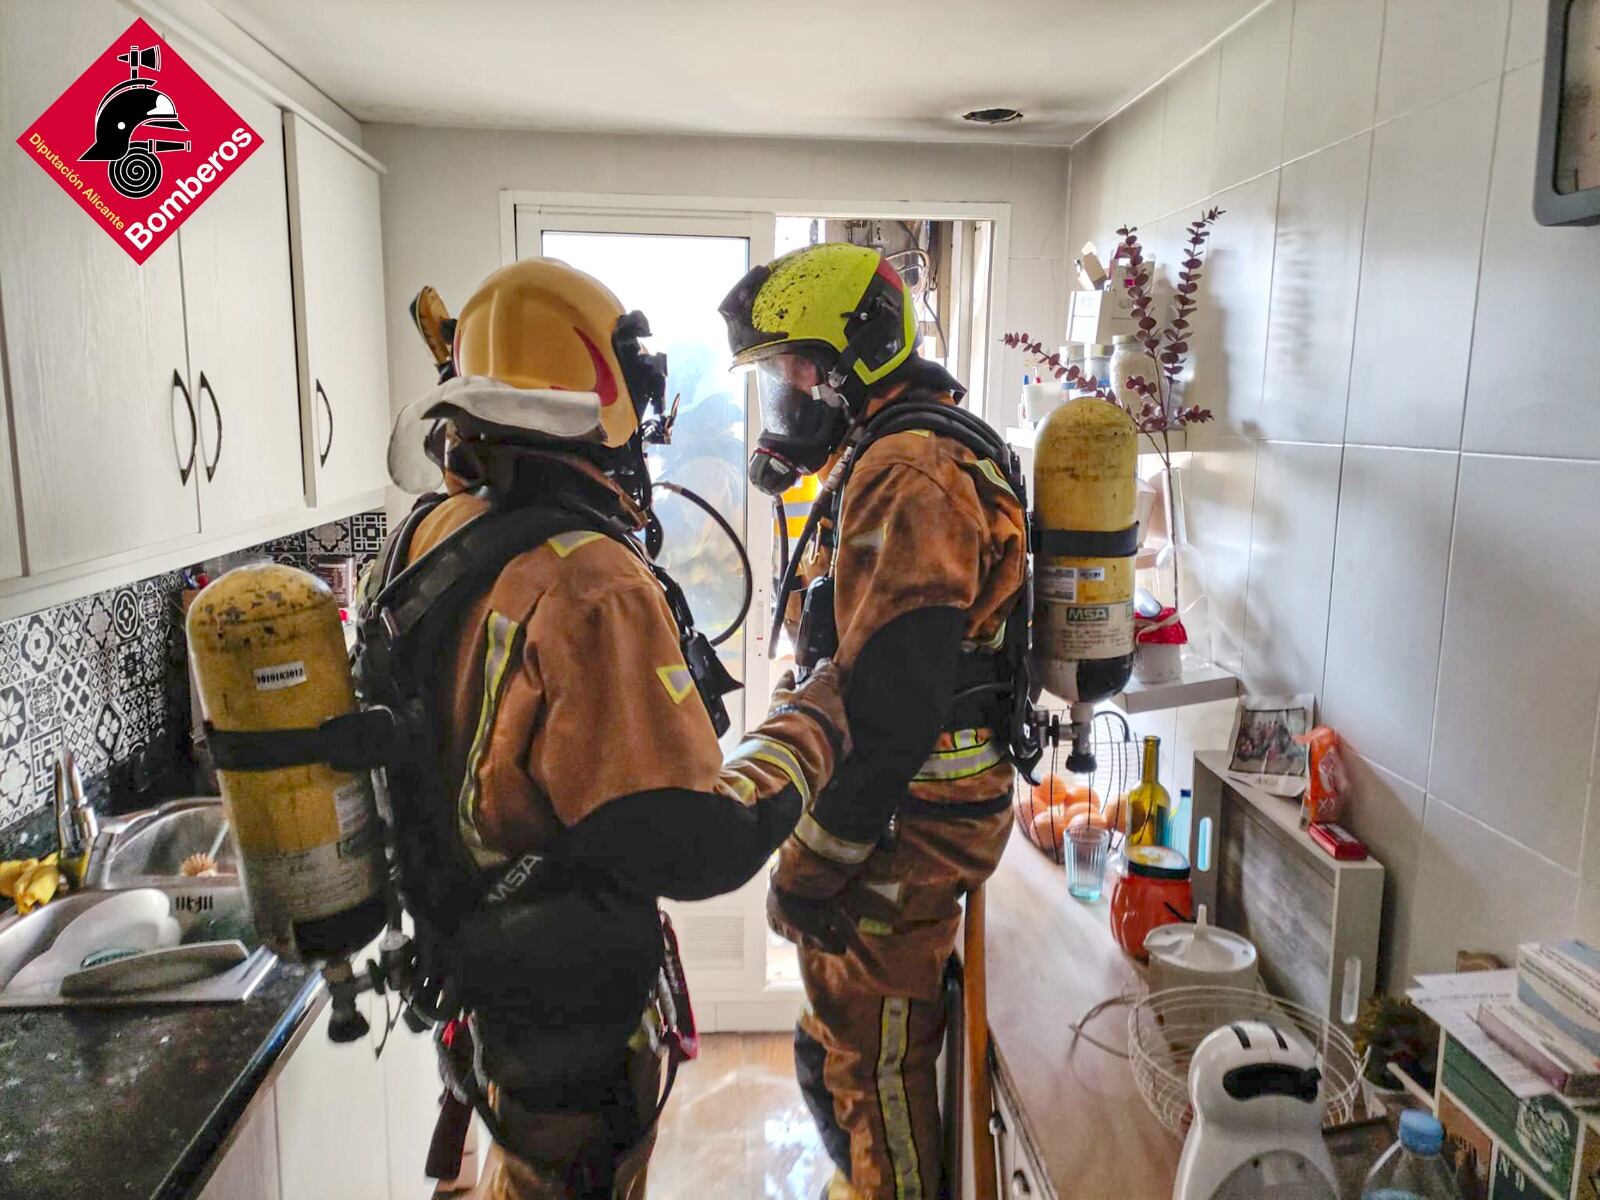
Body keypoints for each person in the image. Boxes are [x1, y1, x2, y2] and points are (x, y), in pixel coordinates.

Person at [373, 258, 851, 1200]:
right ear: (596, 394)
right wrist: (814, 720)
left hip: (481, 970)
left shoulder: (431, 533)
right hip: (570, 1020)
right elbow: (693, 843)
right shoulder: (590, 581)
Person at [719, 243, 1030, 1200]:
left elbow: (895, 710)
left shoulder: (910, 471)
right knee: (835, 1054)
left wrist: (810, 869)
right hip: (916, 817)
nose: (786, 391)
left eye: (793, 366)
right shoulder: (905, 448)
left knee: (878, 1075)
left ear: (854, 357)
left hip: (911, 830)